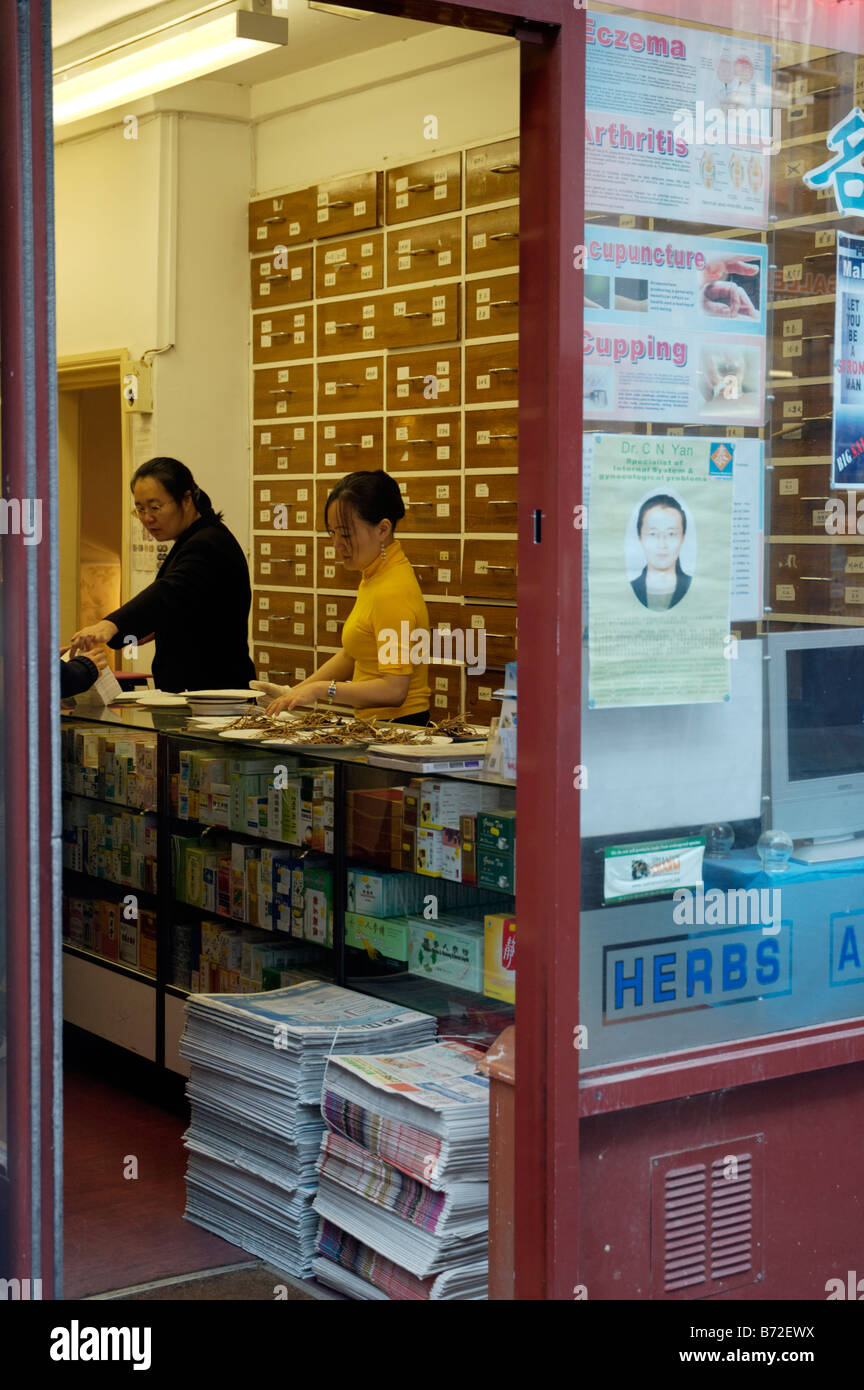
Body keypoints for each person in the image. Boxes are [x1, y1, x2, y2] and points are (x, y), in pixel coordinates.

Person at [255, 470, 431, 723]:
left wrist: (322, 690)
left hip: (400, 728)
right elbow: (354, 652)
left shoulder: (391, 590)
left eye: (346, 534)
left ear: (382, 529)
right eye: (332, 533)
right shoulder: (375, 574)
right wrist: (292, 693)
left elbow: (394, 689)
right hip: (378, 725)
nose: (337, 544)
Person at [69, 458, 255, 693]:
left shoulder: (208, 543)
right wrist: (124, 633)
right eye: (140, 509)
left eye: (155, 507)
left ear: (187, 499)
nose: (147, 518)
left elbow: (169, 591)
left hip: (216, 694)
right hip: (193, 692)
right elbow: (181, 605)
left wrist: (110, 625)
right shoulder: (192, 540)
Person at [630, 494, 692, 611]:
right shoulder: (629, 589)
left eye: (671, 534)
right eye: (653, 534)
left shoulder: (694, 586)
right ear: (640, 538)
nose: (662, 545)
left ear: (682, 538)